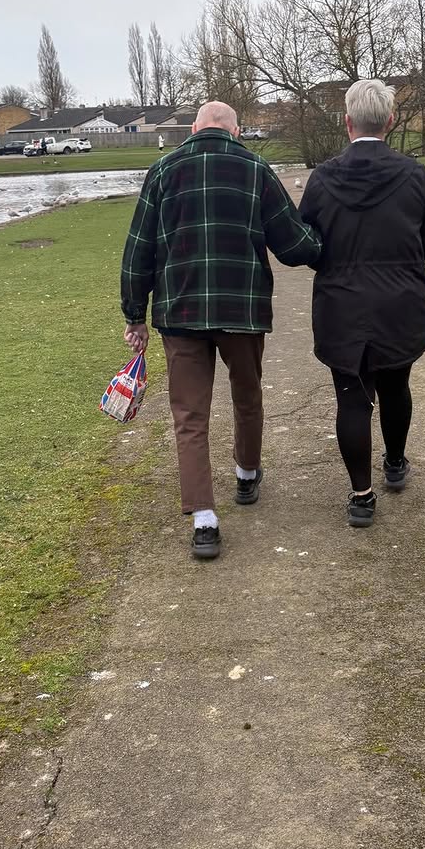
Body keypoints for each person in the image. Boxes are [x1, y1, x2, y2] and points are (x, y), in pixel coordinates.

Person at [121, 101, 321, 560]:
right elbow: (293, 245)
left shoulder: (163, 170)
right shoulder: (256, 169)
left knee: (189, 415)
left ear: (194, 129)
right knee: (247, 393)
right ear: (235, 131)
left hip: (180, 311)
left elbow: (139, 250)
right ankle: (247, 474)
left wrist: (135, 314)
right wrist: (328, 243)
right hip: (242, 310)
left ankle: (204, 519)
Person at [300, 79, 425, 528]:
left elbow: (305, 240)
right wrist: (404, 265)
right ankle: (396, 462)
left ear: (347, 122)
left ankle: (361, 495)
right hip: (398, 300)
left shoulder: (323, 178)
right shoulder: (412, 174)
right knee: (395, 383)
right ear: (391, 120)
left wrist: (334, 263)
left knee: (351, 395)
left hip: (342, 303)